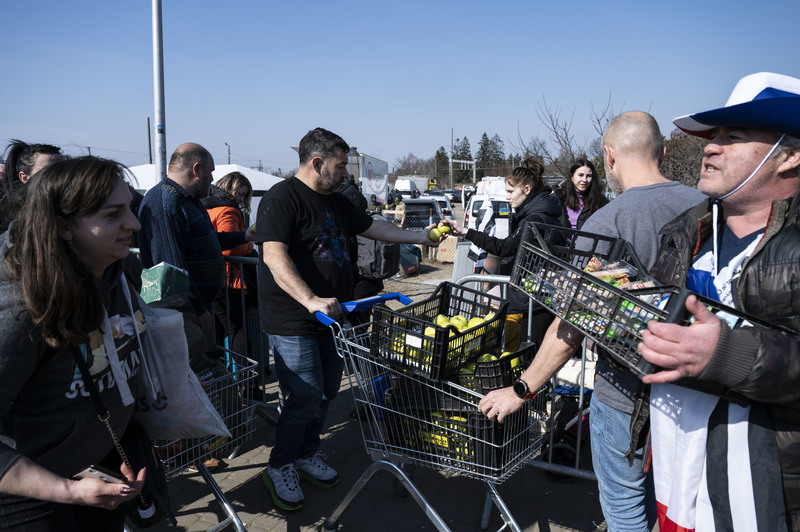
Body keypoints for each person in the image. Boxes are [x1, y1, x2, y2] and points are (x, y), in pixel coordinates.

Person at [478, 111, 706, 532]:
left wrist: (522, 389)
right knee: (679, 507)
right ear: (664, 151)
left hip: (623, 395)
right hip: (695, 395)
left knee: (624, 508)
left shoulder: (607, 222)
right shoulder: (705, 206)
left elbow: (570, 327)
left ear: (609, 156)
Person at [638, 72, 800, 531]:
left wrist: (729, 355)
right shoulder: (685, 230)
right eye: (713, 136)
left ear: (789, 156)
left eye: (734, 137)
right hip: (675, 463)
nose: (710, 147)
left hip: (762, 485)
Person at [255, 127, 442, 511]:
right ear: (317, 162)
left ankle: (306, 453)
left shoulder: (337, 202)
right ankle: (279, 466)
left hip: (334, 317)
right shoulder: (281, 198)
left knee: (325, 393)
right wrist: (309, 299)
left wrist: (421, 236)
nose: (345, 174)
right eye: (340, 166)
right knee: (304, 395)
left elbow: (375, 227)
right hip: (294, 319)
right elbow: (273, 255)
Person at [0, 156, 146, 530]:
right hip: (29, 496)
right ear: (64, 227)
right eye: (113, 214)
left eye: (130, 207)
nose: (135, 223)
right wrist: (67, 491)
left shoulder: (116, 272)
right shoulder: (21, 311)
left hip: (97, 471)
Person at [138, 143, 255, 350]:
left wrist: (244, 235)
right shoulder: (164, 204)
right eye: (210, 172)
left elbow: (208, 240)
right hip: (182, 314)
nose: (212, 179)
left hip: (195, 308)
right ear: (196, 169)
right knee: (192, 370)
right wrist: (199, 310)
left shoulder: (188, 201)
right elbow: (171, 271)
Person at [444, 158, 564, 350]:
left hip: (535, 295)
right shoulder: (542, 210)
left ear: (526, 190)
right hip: (539, 292)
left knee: (530, 352)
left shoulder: (534, 218)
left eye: (510, 192)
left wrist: (467, 232)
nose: (507, 196)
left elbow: (506, 247)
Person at [201, 171, 255, 357]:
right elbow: (230, 246)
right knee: (237, 329)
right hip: (228, 280)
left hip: (208, 275)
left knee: (215, 331)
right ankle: (248, 383)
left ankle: (223, 378)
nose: (240, 200)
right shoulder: (227, 210)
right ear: (228, 188)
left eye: (244, 196)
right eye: (239, 194)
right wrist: (249, 246)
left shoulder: (205, 205)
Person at [0, 140, 65, 233]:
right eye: (45, 172)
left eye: (61, 171)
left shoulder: (71, 206)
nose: (55, 177)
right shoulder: (6, 211)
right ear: (24, 177)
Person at [555, 159, 609, 229]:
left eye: (588, 176)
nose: (584, 180)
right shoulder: (558, 199)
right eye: (580, 175)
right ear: (572, 177)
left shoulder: (601, 202)